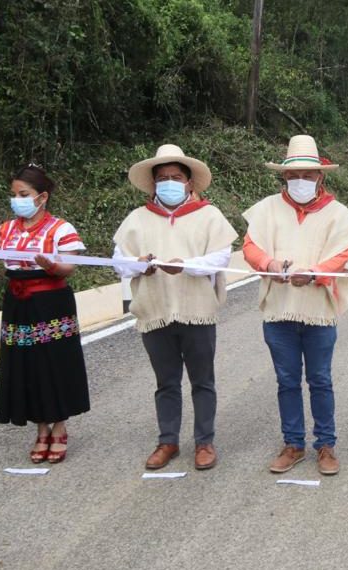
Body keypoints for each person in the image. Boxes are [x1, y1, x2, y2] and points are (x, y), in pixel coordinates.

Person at [242, 135, 348, 476]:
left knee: (320, 379)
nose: (301, 181)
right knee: (286, 380)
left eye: (308, 175)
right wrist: (269, 265)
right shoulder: (267, 209)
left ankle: (325, 444)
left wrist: (315, 273)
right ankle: (293, 444)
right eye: (294, 175)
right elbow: (250, 246)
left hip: (318, 310)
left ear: (320, 177)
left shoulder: (336, 213)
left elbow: (344, 252)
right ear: (284, 176)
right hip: (279, 308)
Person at [113, 145, 237, 471]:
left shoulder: (209, 215)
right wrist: (140, 265)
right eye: (163, 178)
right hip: (155, 310)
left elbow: (220, 257)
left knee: (202, 380)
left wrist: (186, 266)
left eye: (176, 177)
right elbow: (119, 262)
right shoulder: (137, 219)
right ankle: (167, 441)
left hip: (197, 310)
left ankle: (204, 442)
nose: (169, 182)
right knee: (166, 382)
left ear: (189, 183)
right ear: (153, 184)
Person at [0, 164, 89, 464]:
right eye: (14, 194)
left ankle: (59, 426)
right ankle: (41, 428)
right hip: (17, 302)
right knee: (25, 363)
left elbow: (68, 267)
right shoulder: (5, 229)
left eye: (24, 194)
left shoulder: (61, 229)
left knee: (53, 362)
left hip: (52, 302)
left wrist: (51, 265)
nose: (17, 200)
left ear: (42, 197)